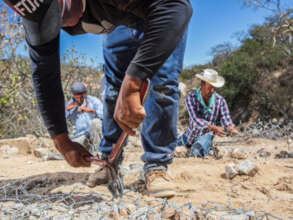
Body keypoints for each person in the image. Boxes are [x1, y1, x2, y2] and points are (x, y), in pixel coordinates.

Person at [4, 0, 193, 197]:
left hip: (163, 12)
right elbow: (45, 77)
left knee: (162, 85)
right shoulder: (35, 14)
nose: (63, 26)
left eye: (61, 15)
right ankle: (109, 161)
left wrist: (134, 81)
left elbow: (176, 8)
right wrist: (62, 142)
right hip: (116, 17)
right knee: (113, 89)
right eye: (51, 22)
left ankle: (157, 165)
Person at [177, 69, 239, 157]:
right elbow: (195, 119)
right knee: (170, 151)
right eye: (210, 88)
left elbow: (226, 119)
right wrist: (213, 127)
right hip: (188, 136)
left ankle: (205, 148)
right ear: (202, 85)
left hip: (206, 136)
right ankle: (208, 149)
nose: (212, 91)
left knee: (196, 153)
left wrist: (231, 129)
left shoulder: (220, 101)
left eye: (214, 88)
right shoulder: (191, 98)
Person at [65, 82, 103, 154]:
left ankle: (99, 152)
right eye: (77, 97)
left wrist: (91, 110)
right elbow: (61, 120)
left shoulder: (94, 101)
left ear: (85, 93)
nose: (79, 99)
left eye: (81, 97)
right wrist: (67, 110)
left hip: (95, 134)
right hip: (81, 134)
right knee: (73, 151)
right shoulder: (70, 104)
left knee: (96, 122)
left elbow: (103, 115)